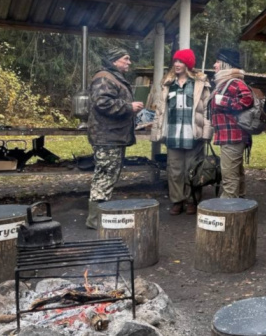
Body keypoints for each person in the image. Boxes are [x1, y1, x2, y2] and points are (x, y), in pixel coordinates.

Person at [150, 49, 213, 215]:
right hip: (173, 133)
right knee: (174, 170)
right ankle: (177, 201)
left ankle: (192, 200)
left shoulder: (200, 83)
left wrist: (207, 131)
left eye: (181, 62)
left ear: (188, 65)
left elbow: (208, 109)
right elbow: (160, 110)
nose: (177, 64)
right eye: (175, 61)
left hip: (193, 134)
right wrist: (156, 131)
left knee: (192, 170)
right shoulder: (167, 84)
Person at [86, 47, 144, 229]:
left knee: (109, 174)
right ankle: (95, 219)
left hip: (113, 135)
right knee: (104, 175)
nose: (129, 62)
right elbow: (102, 103)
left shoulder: (113, 77)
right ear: (114, 61)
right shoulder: (104, 77)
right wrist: (129, 107)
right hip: (107, 136)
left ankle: (100, 215)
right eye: (125, 59)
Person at [210, 48, 254, 198]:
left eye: (217, 62)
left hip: (233, 137)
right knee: (235, 174)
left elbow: (248, 99)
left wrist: (223, 101)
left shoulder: (234, 82)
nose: (214, 65)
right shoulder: (224, 82)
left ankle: (228, 208)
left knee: (229, 177)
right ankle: (240, 205)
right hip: (229, 136)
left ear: (225, 64)